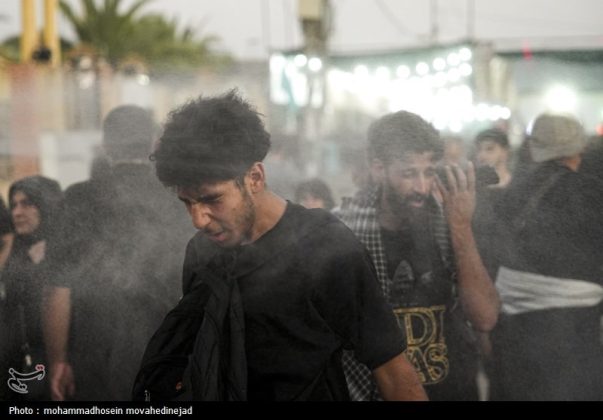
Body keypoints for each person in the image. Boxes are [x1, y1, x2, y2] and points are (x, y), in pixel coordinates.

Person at [132, 90, 427, 401]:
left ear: (255, 177)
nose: (198, 219)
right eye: (187, 202)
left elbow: (394, 374)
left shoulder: (326, 247)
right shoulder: (202, 252)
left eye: (211, 199)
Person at [336, 110, 499, 401]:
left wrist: (460, 225)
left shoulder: (450, 221)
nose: (422, 187)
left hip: (453, 391)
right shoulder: (344, 230)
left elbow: (484, 317)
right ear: (378, 168)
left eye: (429, 172)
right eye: (409, 173)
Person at [43, 105, 192, 400]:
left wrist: (58, 361)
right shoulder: (179, 198)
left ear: (106, 145)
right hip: (167, 351)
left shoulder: (77, 199)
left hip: (93, 352)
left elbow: (57, 290)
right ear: (153, 142)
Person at [491, 113, 603, 400]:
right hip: (576, 335)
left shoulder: (509, 194)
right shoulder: (593, 193)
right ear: (579, 149)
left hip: (511, 338)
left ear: (531, 148)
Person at [0, 176, 62, 400]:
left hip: (53, 363)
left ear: (45, 205)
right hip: (15, 367)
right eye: (14, 205)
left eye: (27, 204)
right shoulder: (14, 252)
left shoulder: (64, 251)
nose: (17, 212)